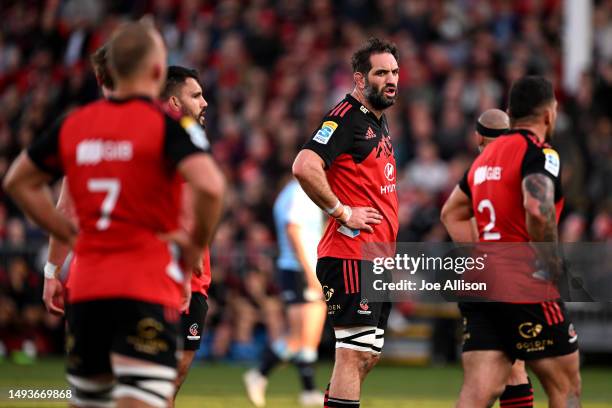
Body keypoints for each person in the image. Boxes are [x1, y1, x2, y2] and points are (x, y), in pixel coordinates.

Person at [3, 21, 225, 408]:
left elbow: (19, 182)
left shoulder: (76, 126)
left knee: (91, 401)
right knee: (144, 401)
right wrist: (188, 253)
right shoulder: (168, 129)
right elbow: (211, 187)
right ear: (156, 71)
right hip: (146, 285)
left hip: (88, 287)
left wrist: (67, 249)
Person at [441, 76, 580, 408]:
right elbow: (537, 206)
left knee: (479, 391)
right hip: (524, 283)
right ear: (548, 114)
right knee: (566, 386)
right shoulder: (540, 153)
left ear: (511, 112)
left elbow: (451, 212)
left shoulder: (483, 160)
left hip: (481, 283)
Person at [292, 37, 399, 408]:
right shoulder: (346, 117)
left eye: (395, 72)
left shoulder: (376, 122)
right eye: (381, 72)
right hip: (350, 254)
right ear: (359, 79)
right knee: (352, 355)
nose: (391, 79)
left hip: (376, 257)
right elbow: (305, 165)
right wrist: (343, 211)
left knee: (366, 355)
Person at [441, 109, 535, 407]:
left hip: (482, 281)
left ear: (477, 137)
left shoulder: (475, 174)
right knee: (516, 366)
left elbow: (449, 215)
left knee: (483, 380)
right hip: (515, 277)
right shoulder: (520, 169)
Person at [243, 175, 327, 407]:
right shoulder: (298, 194)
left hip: (302, 269)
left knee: (309, 335)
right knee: (299, 336)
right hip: (299, 270)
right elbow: (293, 231)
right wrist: (311, 274)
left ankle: (308, 391)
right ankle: (259, 374)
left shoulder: (294, 193)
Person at [160, 65, 212, 405]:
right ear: (175, 101)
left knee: (174, 375)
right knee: (159, 375)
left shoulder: (190, 137)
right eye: (196, 96)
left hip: (194, 278)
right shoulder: (172, 139)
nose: (205, 102)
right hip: (171, 274)